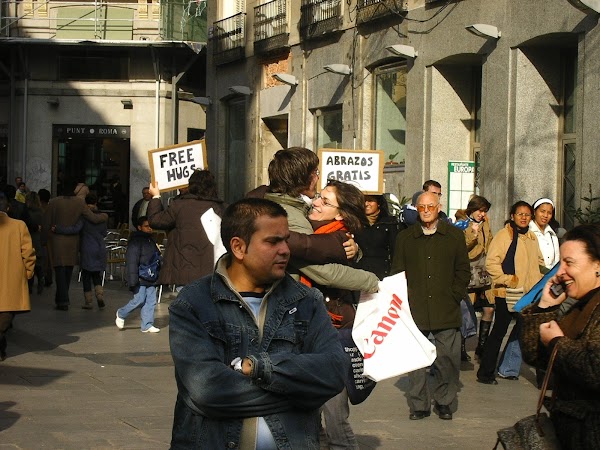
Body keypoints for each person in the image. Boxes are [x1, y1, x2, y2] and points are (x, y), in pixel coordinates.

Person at [169, 198, 347, 448]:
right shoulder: (195, 303)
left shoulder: (307, 301)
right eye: (273, 241)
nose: (285, 249)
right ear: (239, 247)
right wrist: (300, 392)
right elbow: (208, 390)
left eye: (286, 239)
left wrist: (257, 368)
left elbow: (334, 372)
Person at [391, 191, 470, 420]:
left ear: (439, 207)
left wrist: (455, 295)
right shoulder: (405, 238)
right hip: (414, 310)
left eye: (430, 207)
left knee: (448, 360)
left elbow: (463, 270)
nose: (426, 211)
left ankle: (444, 401)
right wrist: (404, 301)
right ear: (417, 209)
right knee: (415, 361)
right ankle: (419, 405)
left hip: (446, 309)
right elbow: (397, 272)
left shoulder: (454, 236)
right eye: (422, 207)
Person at [520, 223, 600, 449]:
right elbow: (535, 355)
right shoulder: (579, 306)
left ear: (597, 265)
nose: (560, 272)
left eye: (569, 263)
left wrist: (557, 343)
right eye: (560, 262)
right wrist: (545, 308)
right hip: (571, 433)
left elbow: (596, 369)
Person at [263, 147, 379, 293]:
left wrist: (354, 249)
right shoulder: (291, 218)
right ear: (304, 178)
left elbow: (319, 245)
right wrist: (373, 282)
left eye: (326, 201)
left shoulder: (286, 206)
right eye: (315, 173)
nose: (318, 178)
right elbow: (324, 271)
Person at [306, 180, 368, 449]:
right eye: (318, 196)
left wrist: (356, 253)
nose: (316, 202)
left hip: (331, 332)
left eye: (325, 201)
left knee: (334, 417)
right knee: (312, 419)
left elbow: (319, 266)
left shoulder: (335, 238)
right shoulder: (313, 230)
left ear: (341, 214)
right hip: (309, 333)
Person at [476, 201, 543, 384]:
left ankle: (507, 368)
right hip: (506, 292)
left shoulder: (531, 237)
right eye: (520, 214)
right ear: (512, 215)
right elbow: (491, 262)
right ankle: (485, 373)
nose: (523, 218)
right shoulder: (504, 235)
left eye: (527, 215)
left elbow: (538, 262)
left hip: (528, 294)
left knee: (525, 330)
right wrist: (507, 279)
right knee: (499, 331)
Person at [147, 169, 226, 291]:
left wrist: (156, 196)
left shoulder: (179, 205)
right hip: (212, 270)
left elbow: (155, 220)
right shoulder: (221, 207)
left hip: (184, 271)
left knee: (187, 307)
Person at [42, 179, 108, 311]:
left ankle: (62, 300)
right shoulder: (79, 203)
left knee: (59, 271)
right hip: (73, 242)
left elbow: (46, 223)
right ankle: (62, 298)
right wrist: (105, 216)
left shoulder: (54, 202)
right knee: (67, 270)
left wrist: (44, 239)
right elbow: (94, 218)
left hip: (57, 241)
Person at [454, 195, 495, 361]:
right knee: (466, 311)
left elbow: (490, 242)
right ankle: (461, 347)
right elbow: (462, 246)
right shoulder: (461, 222)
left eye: (485, 211)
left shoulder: (486, 222)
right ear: (472, 209)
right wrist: (473, 232)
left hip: (484, 271)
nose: (482, 214)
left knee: (489, 308)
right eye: (480, 210)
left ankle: (482, 346)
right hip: (469, 272)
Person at [0, 195, 35, 361]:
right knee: (5, 319)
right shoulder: (19, 226)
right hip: (11, 283)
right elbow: (28, 253)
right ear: (7, 208)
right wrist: (27, 274)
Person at [115, 217, 161, 333]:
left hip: (151, 275)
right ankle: (121, 313)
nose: (149, 228)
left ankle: (147, 324)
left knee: (151, 300)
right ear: (140, 227)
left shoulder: (151, 241)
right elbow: (132, 261)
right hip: (140, 276)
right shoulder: (136, 241)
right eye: (146, 226)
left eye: (150, 226)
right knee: (139, 299)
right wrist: (132, 279)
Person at [355, 194, 403, 280]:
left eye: (370, 200)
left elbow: (395, 251)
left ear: (379, 203)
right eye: (364, 200)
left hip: (383, 274)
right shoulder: (355, 223)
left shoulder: (389, 224)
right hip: (360, 274)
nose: (366, 204)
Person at [529, 198, 560, 273]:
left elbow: (556, 260)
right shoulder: (528, 232)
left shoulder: (552, 234)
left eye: (549, 213)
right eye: (542, 211)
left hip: (550, 277)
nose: (545, 215)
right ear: (534, 212)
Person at [25, 191, 45, 294]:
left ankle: (30, 286)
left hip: (28, 239)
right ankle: (41, 278)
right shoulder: (41, 213)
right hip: (38, 240)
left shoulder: (26, 213)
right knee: (38, 263)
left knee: (29, 264)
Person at [38, 189, 53, 287]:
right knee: (49, 259)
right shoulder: (51, 208)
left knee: (41, 259)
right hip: (50, 236)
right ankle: (48, 277)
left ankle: (42, 277)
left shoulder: (39, 209)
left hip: (41, 236)